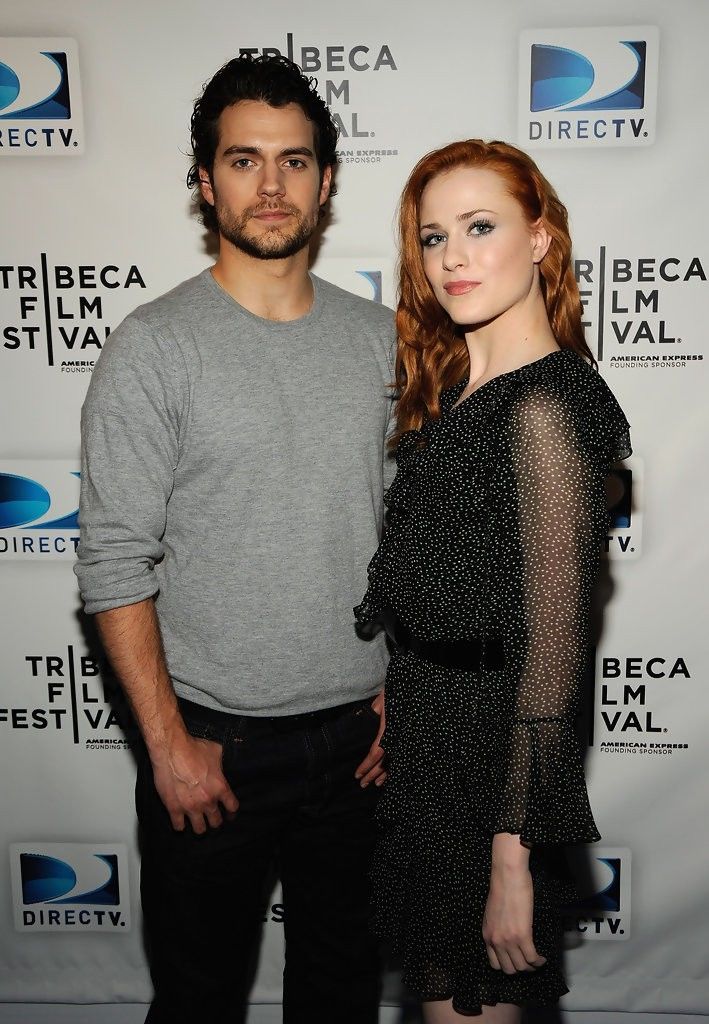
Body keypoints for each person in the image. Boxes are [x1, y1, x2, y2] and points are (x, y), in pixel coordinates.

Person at [75, 54, 394, 1024]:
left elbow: (414, 536)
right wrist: (168, 747)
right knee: (198, 1003)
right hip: (213, 748)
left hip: (363, 747)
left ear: (326, 180)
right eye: (243, 160)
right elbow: (113, 562)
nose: (270, 185)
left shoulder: (385, 341)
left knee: (341, 1000)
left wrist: (407, 690)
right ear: (206, 181)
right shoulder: (154, 345)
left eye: (293, 160)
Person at [355, 140, 631, 1022]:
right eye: (433, 237)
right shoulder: (457, 394)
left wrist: (511, 860)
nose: (453, 257)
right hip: (433, 745)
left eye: (480, 227)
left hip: (490, 773)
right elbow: (452, 589)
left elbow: (553, 653)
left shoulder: (546, 406)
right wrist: (405, 686)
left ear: (539, 240)